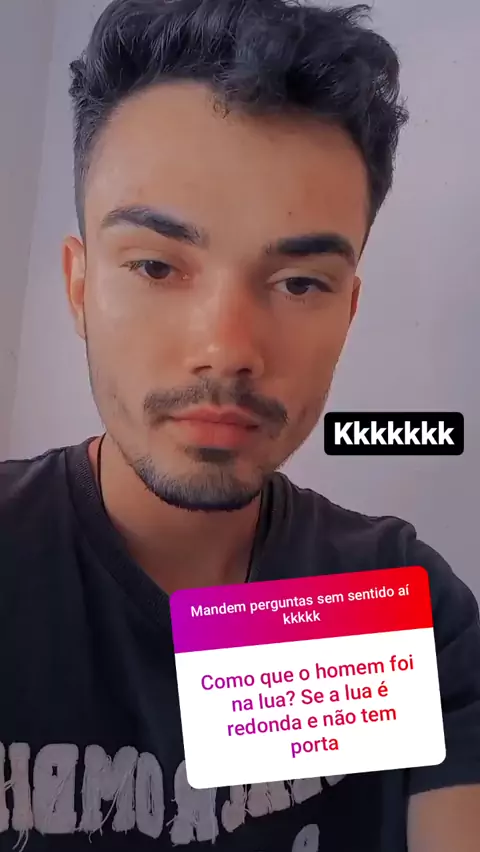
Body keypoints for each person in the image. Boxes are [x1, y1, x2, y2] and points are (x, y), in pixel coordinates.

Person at [0, 0, 479, 848]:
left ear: (348, 310)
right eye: (156, 266)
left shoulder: (400, 609)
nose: (227, 350)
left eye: (300, 283)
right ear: (80, 288)